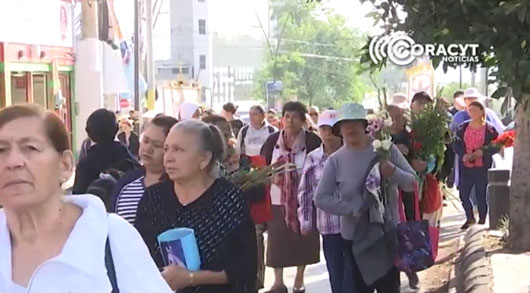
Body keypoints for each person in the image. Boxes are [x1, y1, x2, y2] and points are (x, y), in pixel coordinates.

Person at [0, 104, 172, 292]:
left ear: (65, 165)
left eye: (30, 148)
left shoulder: (111, 238)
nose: (13, 162)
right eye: (1, 150)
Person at [135, 120, 257, 292]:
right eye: (167, 148)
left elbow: (246, 266)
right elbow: (137, 256)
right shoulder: (153, 198)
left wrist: (192, 278)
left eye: (178, 150)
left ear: (204, 158)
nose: (168, 157)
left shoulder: (229, 198)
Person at [314, 103, 416, 293]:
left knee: (389, 288)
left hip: (386, 235)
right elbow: (320, 198)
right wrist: (351, 209)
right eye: (345, 125)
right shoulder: (335, 160)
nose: (350, 129)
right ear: (339, 130)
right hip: (355, 238)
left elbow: (412, 183)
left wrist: (392, 171)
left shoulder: (385, 150)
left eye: (355, 123)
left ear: (365, 126)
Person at [260, 101, 322, 293]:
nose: (290, 120)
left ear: (303, 120)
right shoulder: (273, 140)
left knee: (304, 239)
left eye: (295, 116)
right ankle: (278, 282)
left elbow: (321, 166)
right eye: (287, 116)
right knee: (277, 239)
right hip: (279, 199)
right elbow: (263, 167)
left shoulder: (312, 141)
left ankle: (299, 278)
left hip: (306, 198)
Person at [297, 110, 344, 293]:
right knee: (336, 272)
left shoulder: (352, 154)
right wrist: (306, 221)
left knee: (354, 274)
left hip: (356, 225)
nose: (328, 133)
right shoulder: (313, 158)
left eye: (332, 129)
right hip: (329, 226)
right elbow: (305, 193)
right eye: (324, 128)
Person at [112, 115, 178, 225]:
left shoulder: (180, 186)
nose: (148, 149)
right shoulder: (126, 184)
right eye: (145, 141)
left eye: (157, 145)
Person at [453, 101, 499, 229]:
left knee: (481, 193)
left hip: (481, 166)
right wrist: (463, 155)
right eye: (470, 110)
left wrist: (483, 152)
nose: (472, 113)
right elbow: (456, 144)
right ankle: (470, 217)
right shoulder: (463, 128)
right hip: (466, 165)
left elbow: (496, 144)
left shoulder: (489, 129)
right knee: (463, 193)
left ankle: (482, 220)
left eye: (475, 110)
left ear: (481, 111)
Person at [72, 109, 139, 195]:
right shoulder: (128, 160)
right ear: (116, 129)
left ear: (89, 132)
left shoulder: (84, 166)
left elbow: (77, 198)